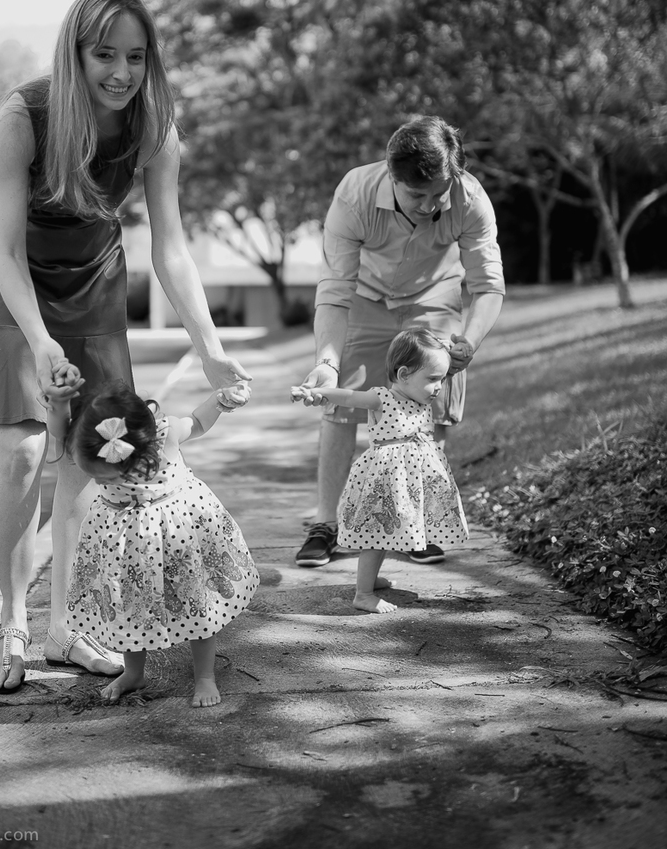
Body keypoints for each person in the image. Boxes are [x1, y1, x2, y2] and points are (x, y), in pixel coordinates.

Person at [0, 0, 250, 693]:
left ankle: (66, 626)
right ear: (75, 55)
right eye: (105, 55)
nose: (122, 72)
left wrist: (211, 350)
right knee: (23, 447)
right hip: (13, 278)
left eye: (136, 56)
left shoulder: (154, 127)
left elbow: (172, 249)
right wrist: (40, 342)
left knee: (89, 452)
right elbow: (7, 251)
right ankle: (13, 624)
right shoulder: (23, 117)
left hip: (93, 278)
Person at [294, 115, 504, 569]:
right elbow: (334, 290)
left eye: (438, 193)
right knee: (342, 403)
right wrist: (327, 363)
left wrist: (470, 340)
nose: (430, 206)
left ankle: (417, 525)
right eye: (417, 194)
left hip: (433, 297)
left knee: (430, 402)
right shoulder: (354, 195)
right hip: (365, 296)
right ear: (393, 176)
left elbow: (488, 285)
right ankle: (326, 524)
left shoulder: (470, 201)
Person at [42, 373, 258, 707]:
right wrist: (57, 404)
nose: (96, 481)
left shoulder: (164, 435)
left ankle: (204, 676)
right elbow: (59, 432)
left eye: (103, 477)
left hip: (177, 534)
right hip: (126, 543)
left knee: (194, 601)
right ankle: (134, 673)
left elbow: (198, 421)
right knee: (129, 607)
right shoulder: (86, 439)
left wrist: (219, 399)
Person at [292, 329, 468, 611]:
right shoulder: (382, 399)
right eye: (433, 379)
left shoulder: (421, 401)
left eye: (442, 379)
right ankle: (363, 594)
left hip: (406, 486)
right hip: (385, 483)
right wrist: (317, 392)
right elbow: (349, 397)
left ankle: (370, 580)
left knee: (387, 536)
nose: (438, 387)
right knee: (375, 538)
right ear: (404, 374)